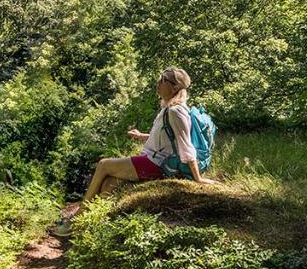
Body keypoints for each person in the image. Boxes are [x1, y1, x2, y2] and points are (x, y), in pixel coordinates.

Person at [52, 66, 216, 237]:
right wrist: (141, 136)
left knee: (103, 165)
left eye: (162, 81)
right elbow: (166, 138)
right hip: (151, 160)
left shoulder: (176, 111)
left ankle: (78, 218)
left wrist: (198, 178)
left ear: (174, 87)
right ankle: (91, 226)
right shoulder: (168, 109)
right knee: (110, 183)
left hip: (156, 165)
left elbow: (186, 146)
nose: (158, 84)